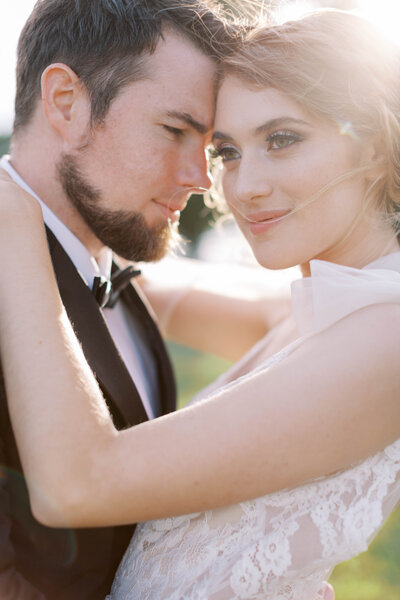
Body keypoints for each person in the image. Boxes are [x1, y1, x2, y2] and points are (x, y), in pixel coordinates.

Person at [0, 7, 399, 600]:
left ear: (374, 146)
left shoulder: (385, 337)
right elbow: (136, 287)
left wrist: (11, 205)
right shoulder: (317, 310)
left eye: (282, 139)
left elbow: (77, 484)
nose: (236, 187)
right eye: (229, 151)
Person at [0, 0, 238, 597]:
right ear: (65, 103)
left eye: (207, 145)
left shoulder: (118, 277)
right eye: (175, 130)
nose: (199, 177)